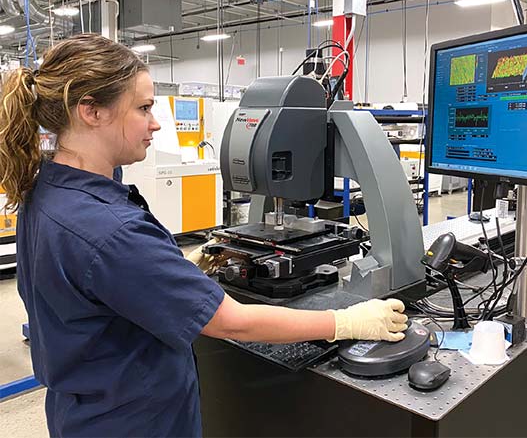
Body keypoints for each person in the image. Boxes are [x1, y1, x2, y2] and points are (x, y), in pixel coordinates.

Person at [0, 34, 408, 437]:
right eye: (143, 108)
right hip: (136, 422)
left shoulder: (46, 190)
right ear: (91, 111)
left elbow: (95, 282)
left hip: (82, 411)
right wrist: (345, 320)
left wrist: (166, 271)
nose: (156, 123)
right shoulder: (108, 230)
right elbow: (234, 322)